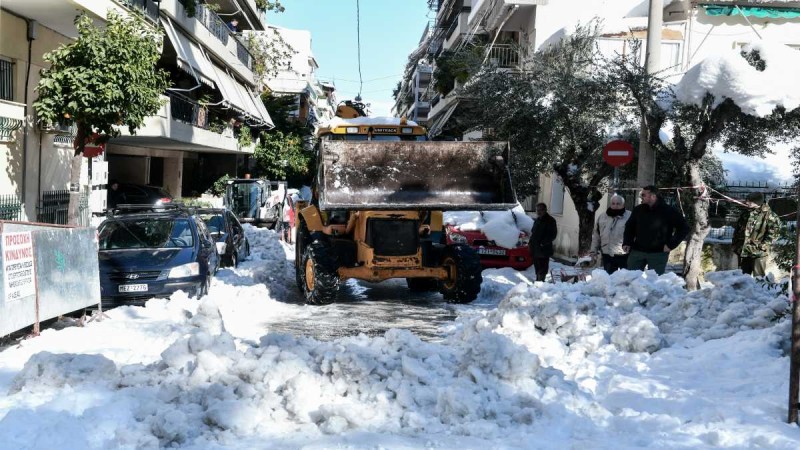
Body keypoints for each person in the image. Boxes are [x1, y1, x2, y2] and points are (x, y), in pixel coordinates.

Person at [623, 185, 690, 275]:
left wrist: (671, 245)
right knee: (631, 279)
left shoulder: (669, 211)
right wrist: (627, 242)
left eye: (643, 195)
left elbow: (684, 228)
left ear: (653, 196)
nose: (641, 197)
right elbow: (629, 226)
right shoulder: (638, 210)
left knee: (655, 282)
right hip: (637, 251)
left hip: (658, 253)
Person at [731, 192, 782, 277]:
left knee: (759, 279)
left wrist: (762, 246)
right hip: (743, 251)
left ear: (757, 202)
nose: (747, 203)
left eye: (750, 201)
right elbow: (738, 230)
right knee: (742, 278)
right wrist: (735, 244)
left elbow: (774, 234)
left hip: (759, 253)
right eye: (747, 200)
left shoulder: (770, 216)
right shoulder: (746, 213)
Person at [590, 194, 631, 273]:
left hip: (624, 255)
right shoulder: (602, 216)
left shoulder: (630, 216)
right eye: (613, 203)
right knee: (609, 280)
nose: (615, 206)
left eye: (618, 204)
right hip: (607, 254)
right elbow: (596, 236)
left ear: (623, 205)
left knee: (625, 280)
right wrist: (593, 252)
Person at [529, 203, 558, 282]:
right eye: (537, 210)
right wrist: (531, 243)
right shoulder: (537, 220)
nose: (538, 212)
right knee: (537, 267)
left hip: (544, 249)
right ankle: (538, 281)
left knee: (543, 268)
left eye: (540, 210)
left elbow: (553, 235)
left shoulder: (550, 220)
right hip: (535, 248)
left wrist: (543, 243)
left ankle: (540, 283)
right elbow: (533, 232)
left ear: (545, 210)